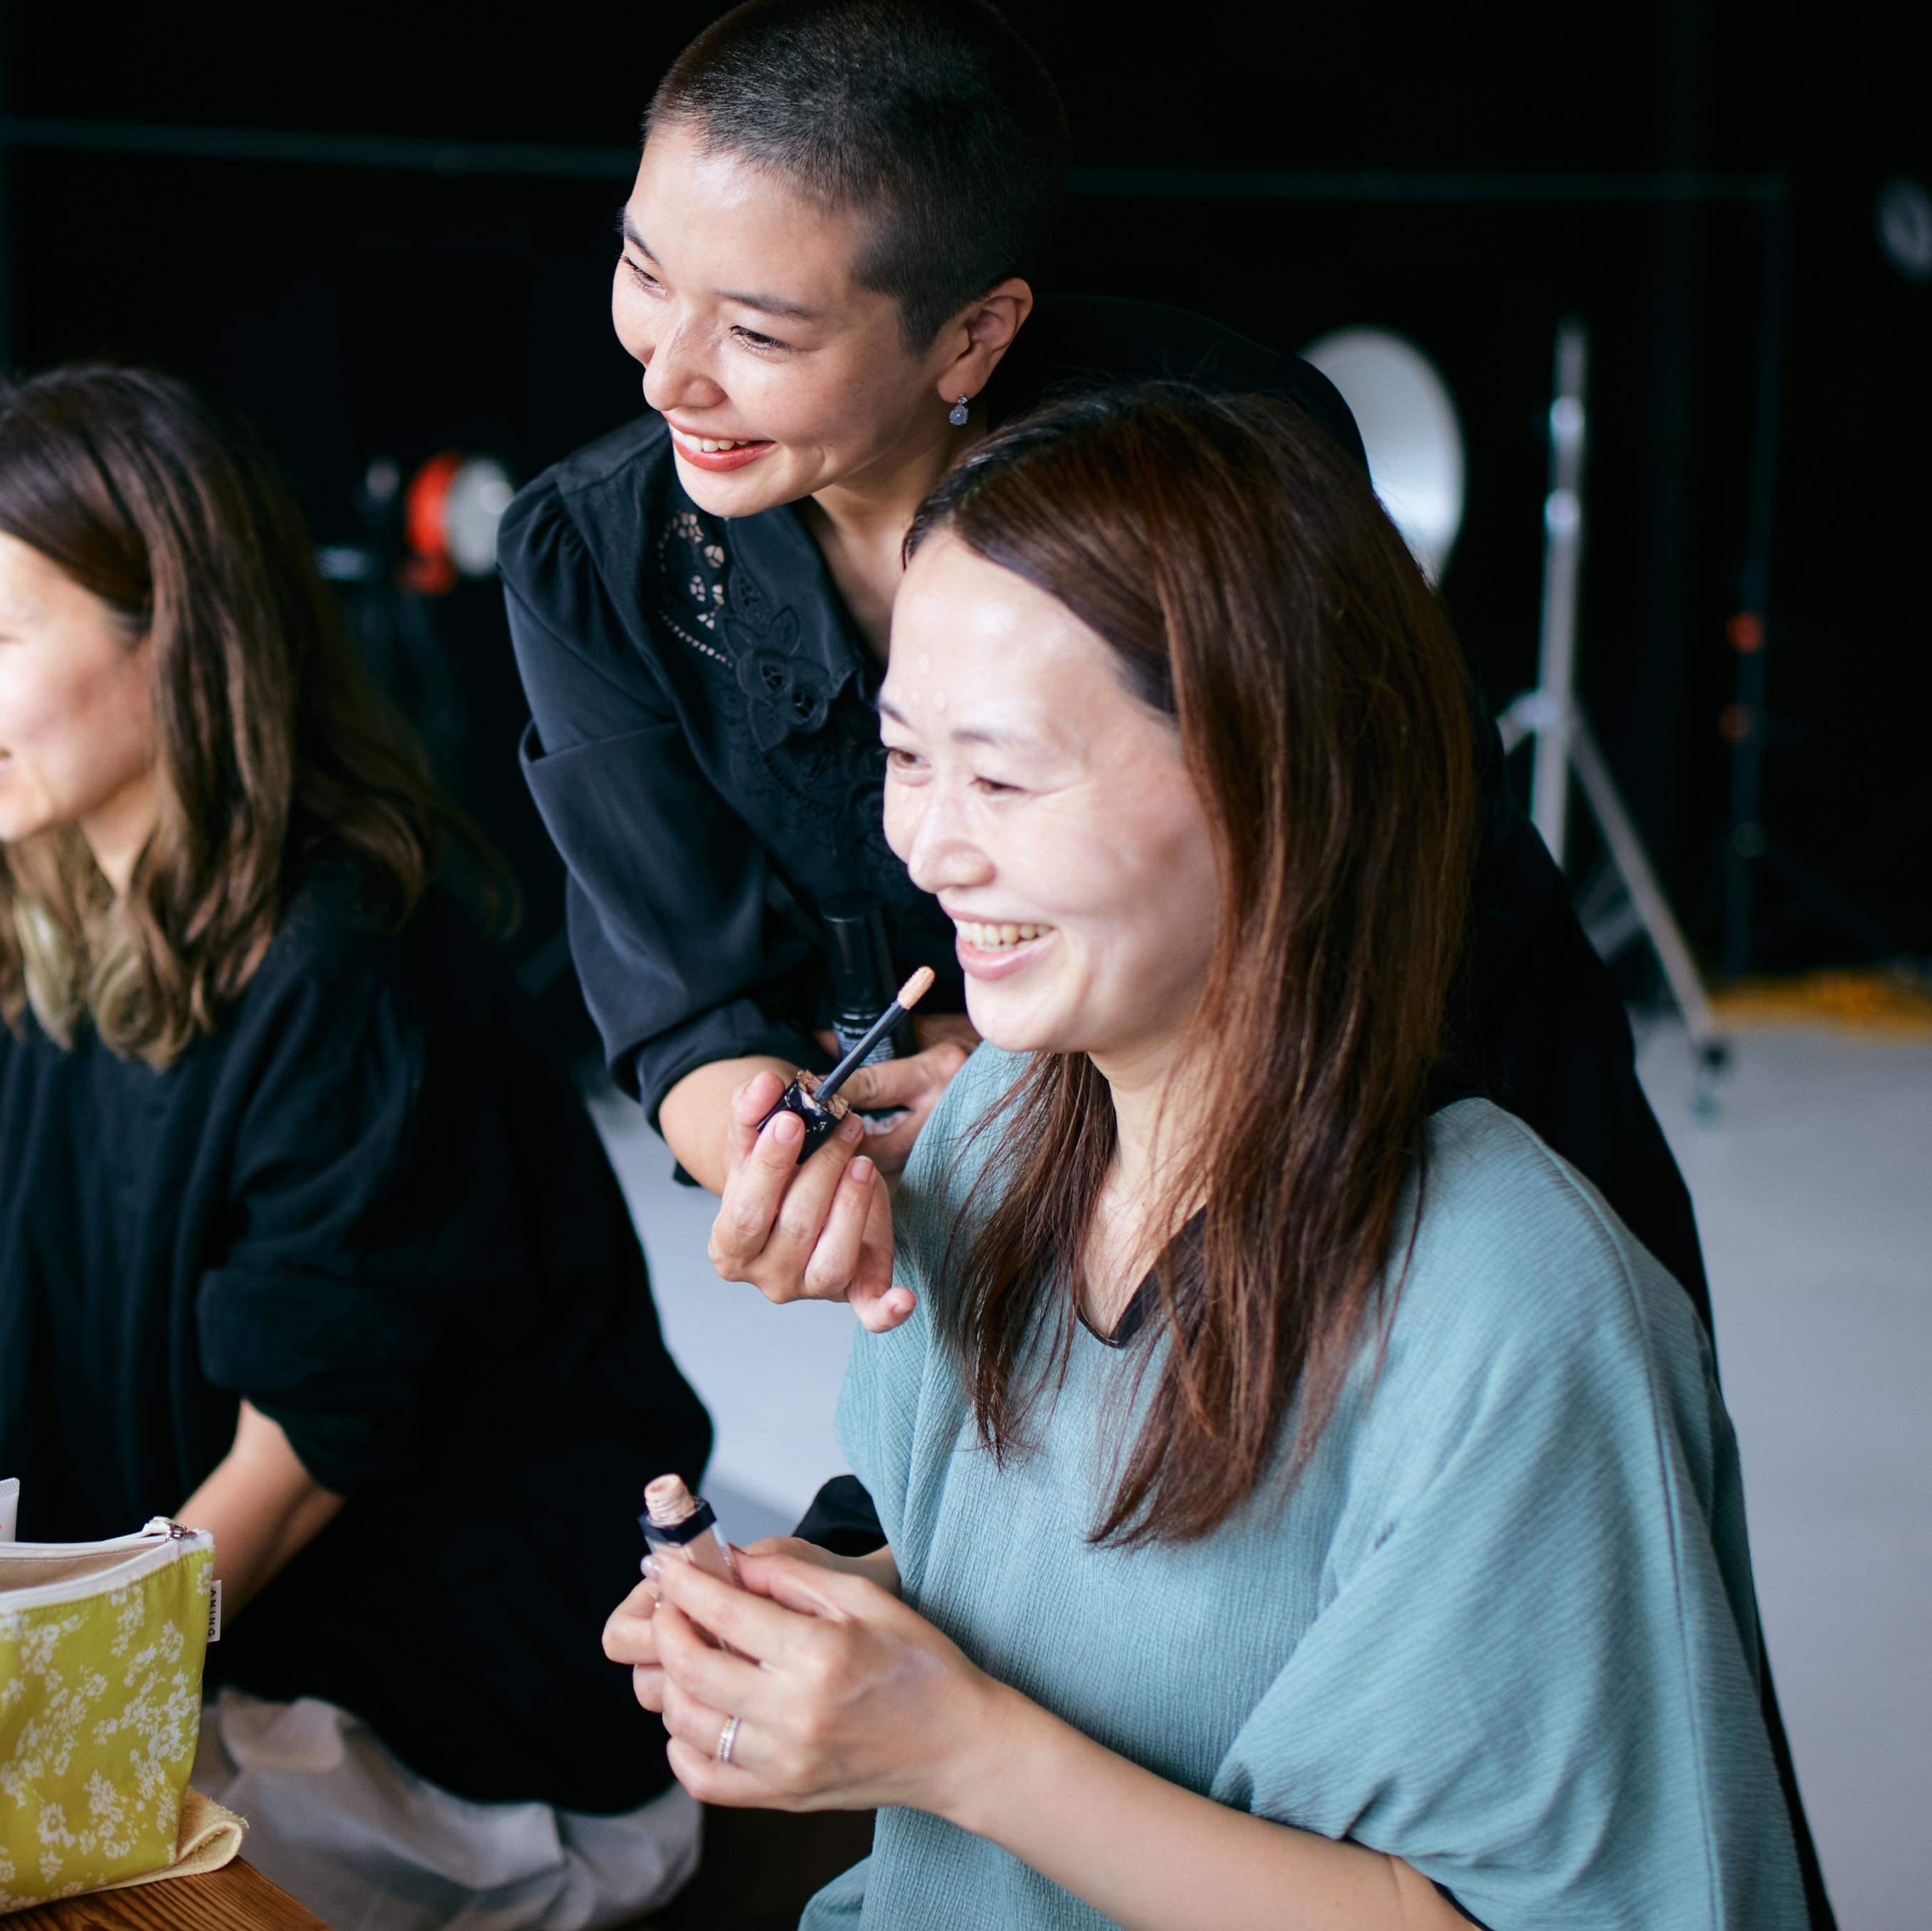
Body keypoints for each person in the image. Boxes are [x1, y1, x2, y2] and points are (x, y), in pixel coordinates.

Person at [611, 385, 1808, 1928]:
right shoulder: (994, 1130)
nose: (929, 847)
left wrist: (960, 1750)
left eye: (1002, 776)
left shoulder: (1512, 1303)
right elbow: (1081, 1607)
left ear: (1265, 783)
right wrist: (834, 1624)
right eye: (907, 758)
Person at [501, 0, 1708, 1309]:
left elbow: (1353, 892)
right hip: (1005, 1218)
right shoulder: (594, 554)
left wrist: (1020, 1093)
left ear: (973, 334)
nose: (665, 378)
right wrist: (779, 1159)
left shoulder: (1222, 463)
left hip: (1385, 1132)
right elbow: (686, 999)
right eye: (645, 275)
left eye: (759, 334)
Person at [0, 366, 712, 1930]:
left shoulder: (348, 968)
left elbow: (291, 1476)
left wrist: (22, 1724)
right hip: (214, 1645)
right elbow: (35, 1346)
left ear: (173, 639)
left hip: (454, 1733)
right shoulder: (79, 896)